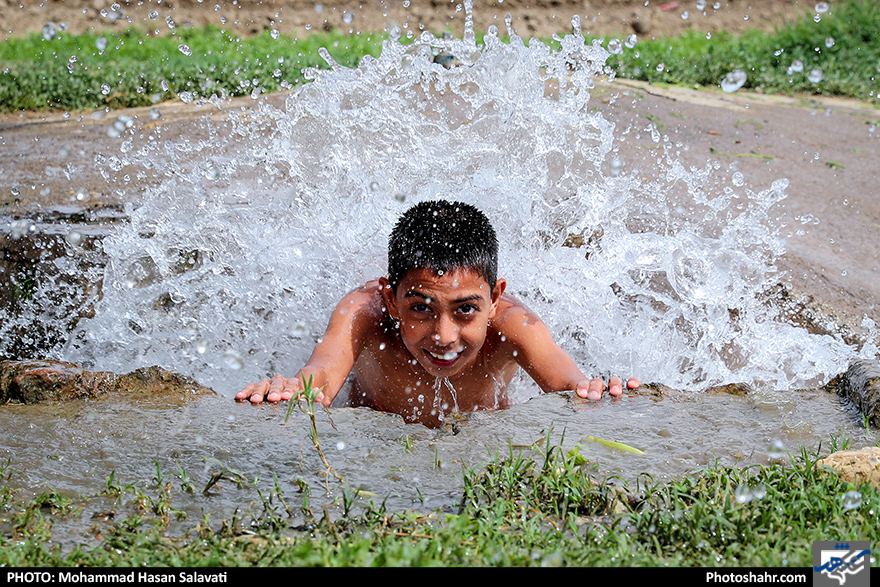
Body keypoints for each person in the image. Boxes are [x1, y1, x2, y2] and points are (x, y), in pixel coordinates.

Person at [236, 199, 639, 428]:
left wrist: (599, 394)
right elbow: (321, 375)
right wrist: (289, 391)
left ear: (495, 299)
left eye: (465, 310)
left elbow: (571, 387)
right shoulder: (364, 313)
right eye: (421, 309)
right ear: (391, 299)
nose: (444, 336)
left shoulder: (515, 327)